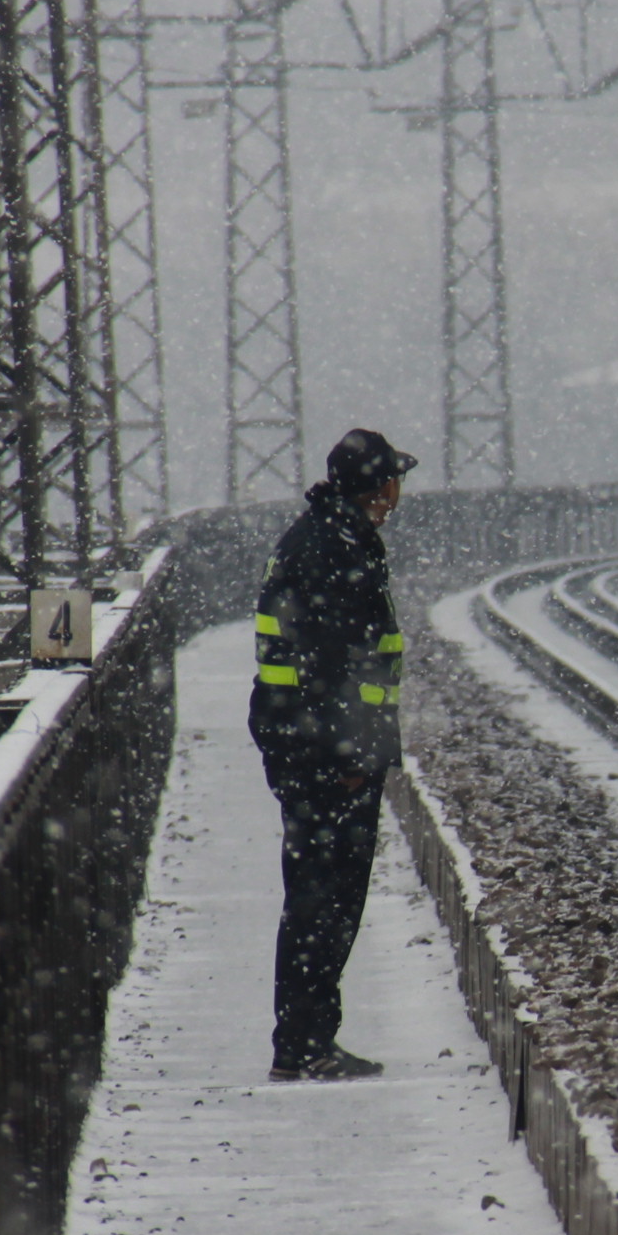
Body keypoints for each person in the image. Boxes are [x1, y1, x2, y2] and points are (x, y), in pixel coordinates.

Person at [251, 428, 417, 1079]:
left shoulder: (328, 536)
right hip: (323, 754)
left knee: (323, 899)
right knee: (324, 901)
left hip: (308, 745)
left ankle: (309, 1038)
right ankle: (304, 1045)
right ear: (376, 486)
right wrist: (348, 755)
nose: (398, 494)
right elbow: (327, 667)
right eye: (393, 480)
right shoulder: (330, 548)